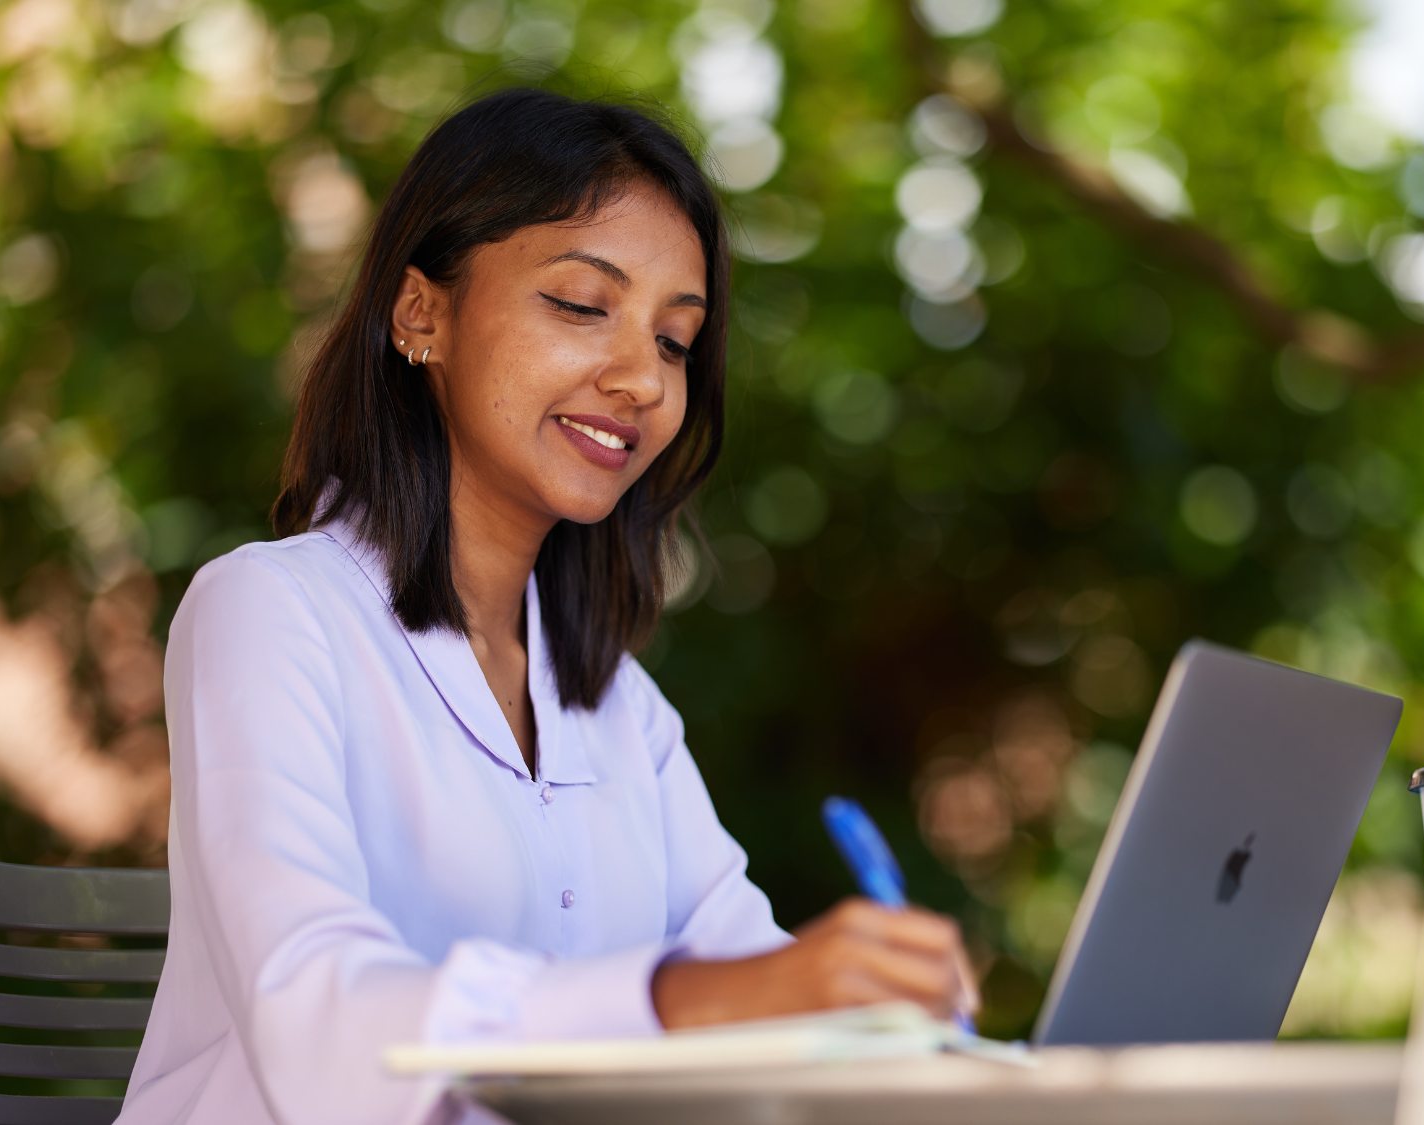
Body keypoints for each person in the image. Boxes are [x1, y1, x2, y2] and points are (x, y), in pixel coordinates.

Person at [117, 88, 974, 1125]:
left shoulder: (615, 704)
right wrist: (686, 1001)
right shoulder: (269, 612)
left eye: (674, 341)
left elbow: (752, 973)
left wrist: (898, 1019)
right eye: (580, 305)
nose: (642, 381)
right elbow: (320, 1025)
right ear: (419, 312)